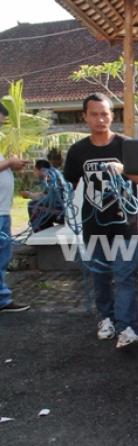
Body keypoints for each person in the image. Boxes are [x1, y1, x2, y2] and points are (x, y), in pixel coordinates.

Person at [63, 93, 138, 349]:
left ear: (112, 116)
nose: (100, 119)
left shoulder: (127, 146)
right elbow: (68, 185)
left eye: (105, 114)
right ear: (85, 117)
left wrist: (125, 170)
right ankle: (106, 319)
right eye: (94, 114)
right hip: (94, 227)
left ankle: (127, 327)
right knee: (99, 277)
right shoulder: (78, 151)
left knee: (125, 278)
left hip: (124, 226)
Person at [0, 104, 30, 313]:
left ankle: (2, 299)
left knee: (3, 258)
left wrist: (12, 164)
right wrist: (10, 162)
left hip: (3, 211)